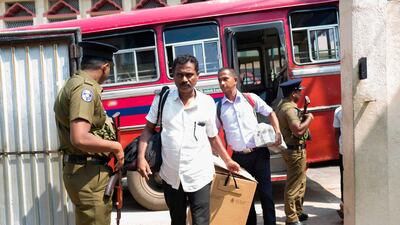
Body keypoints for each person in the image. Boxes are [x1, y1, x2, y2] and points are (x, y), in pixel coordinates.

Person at [137, 55, 240, 225]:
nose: (185, 79)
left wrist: (227, 160)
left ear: (197, 76)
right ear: (173, 75)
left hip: (199, 175)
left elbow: (213, 137)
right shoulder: (162, 99)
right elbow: (148, 130)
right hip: (171, 176)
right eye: (180, 75)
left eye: (189, 75)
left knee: (201, 222)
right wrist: (141, 158)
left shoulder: (207, 103)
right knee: (177, 220)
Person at [53, 41, 124, 225]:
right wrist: (115, 146)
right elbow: (80, 137)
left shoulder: (75, 83)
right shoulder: (85, 89)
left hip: (87, 172)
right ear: (105, 67)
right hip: (88, 175)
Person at [216, 68, 282, 225]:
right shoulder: (219, 108)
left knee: (266, 194)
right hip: (238, 159)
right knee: (246, 197)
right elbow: (213, 134)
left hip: (259, 154)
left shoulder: (250, 99)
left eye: (225, 79)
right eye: (219, 80)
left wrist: (277, 132)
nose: (222, 83)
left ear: (235, 80)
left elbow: (270, 112)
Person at [276, 79, 313, 225]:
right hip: (295, 152)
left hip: (293, 150)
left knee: (301, 181)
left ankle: (297, 212)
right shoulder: (289, 109)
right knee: (294, 185)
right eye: (299, 91)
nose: (301, 93)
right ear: (293, 93)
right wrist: (309, 118)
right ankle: (291, 218)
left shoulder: (282, 106)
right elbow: (298, 130)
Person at [333, 105, 344, 219]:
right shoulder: (338, 111)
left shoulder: (338, 110)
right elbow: (336, 132)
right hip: (343, 151)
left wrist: (339, 146)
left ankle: (344, 204)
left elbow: (336, 133)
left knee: (344, 179)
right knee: (344, 179)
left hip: (343, 151)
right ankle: (344, 205)